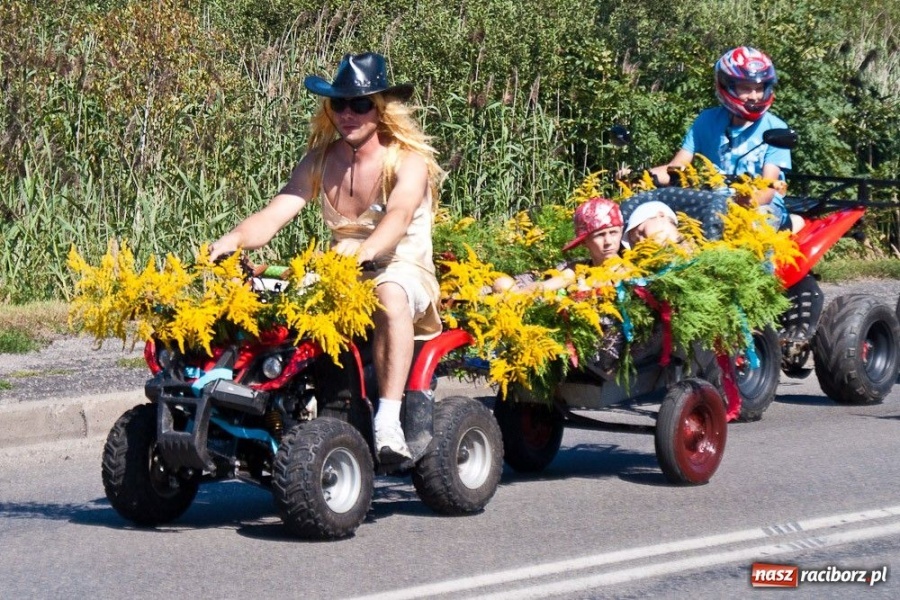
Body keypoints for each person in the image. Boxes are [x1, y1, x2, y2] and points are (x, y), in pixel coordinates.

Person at [208, 52, 445, 462]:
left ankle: (388, 421)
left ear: (380, 108)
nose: (348, 114)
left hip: (400, 266)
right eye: (339, 104)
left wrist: (368, 250)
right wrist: (234, 238)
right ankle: (266, 409)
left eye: (360, 104)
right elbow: (279, 209)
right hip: (341, 270)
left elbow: (400, 214)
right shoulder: (320, 159)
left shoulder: (408, 160)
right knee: (268, 299)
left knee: (389, 295)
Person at [649, 46, 791, 229]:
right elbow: (676, 168)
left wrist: (743, 202)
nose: (754, 96)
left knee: (751, 227)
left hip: (760, 206)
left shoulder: (776, 128)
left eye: (759, 88)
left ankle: (767, 258)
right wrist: (641, 176)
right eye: (746, 88)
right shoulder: (706, 120)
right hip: (711, 200)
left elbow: (768, 189)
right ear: (726, 86)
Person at [492, 197, 623, 293]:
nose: (608, 241)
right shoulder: (579, 269)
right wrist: (514, 296)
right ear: (584, 242)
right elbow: (544, 287)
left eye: (613, 233)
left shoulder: (628, 271)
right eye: (599, 235)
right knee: (502, 283)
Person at [621, 200, 686, 249]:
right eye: (637, 242)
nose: (641, 241)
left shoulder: (692, 243)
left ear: (661, 216)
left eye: (642, 232)